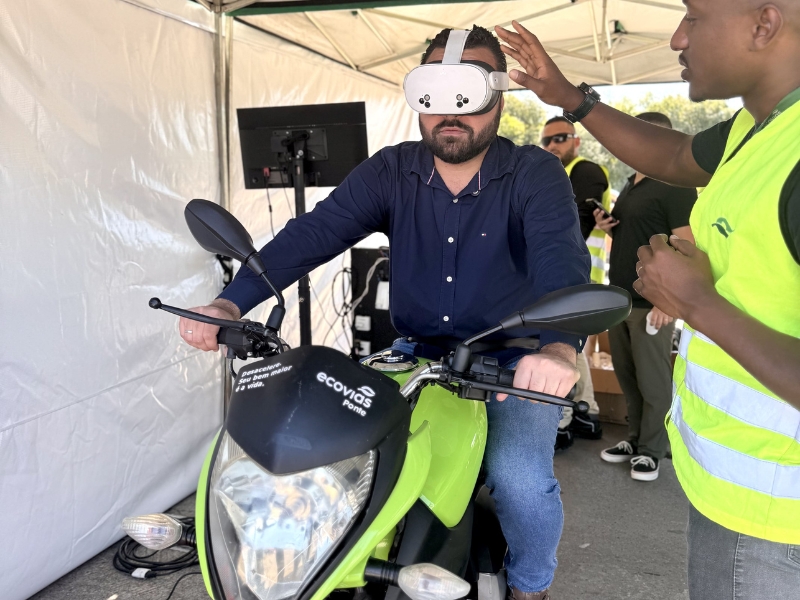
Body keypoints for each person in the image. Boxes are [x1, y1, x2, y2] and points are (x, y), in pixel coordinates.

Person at [180, 26, 590, 600]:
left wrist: (558, 348)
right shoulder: (391, 169)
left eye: (468, 93)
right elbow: (315, 233)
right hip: (415, 354)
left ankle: (529, 587)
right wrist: (232, 300)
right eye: (433, 94)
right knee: (336, 458)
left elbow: (559, 260)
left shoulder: (533, 173)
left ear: (499, 97)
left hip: (513, 363)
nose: (450, 113)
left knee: (521, 480)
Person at [496, 1, 800, 596]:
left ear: (764, 24)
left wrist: (697, 302)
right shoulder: (754, 129)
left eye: (695, 16)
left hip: (777, 524)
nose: (677, 38)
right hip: (733, 491)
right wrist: (570, 97)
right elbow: (674, 155)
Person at [593, 112, 697, 481]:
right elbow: (638, 233)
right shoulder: (633, 182)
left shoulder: (675, 184)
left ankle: (652, 450)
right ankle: (635, 440)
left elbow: (687, 244)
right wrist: (608, 226)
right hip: (620, 298)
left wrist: (668, 300)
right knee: (628, 377)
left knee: (653, 382)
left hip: (650, 303)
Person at [540, 116, 609, 448]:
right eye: (547, 141)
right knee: (572, 343)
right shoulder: (562, 172)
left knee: (562, 341)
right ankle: (586, 408)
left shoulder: (586, 171)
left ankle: (565, 415)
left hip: (577, 273)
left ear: (576, 140)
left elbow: (574, 223)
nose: (552, 145)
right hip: (572, 273)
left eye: (560, 138)